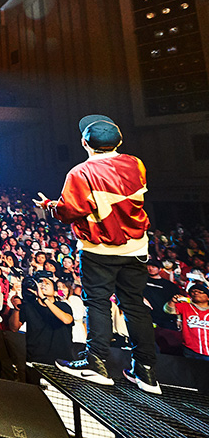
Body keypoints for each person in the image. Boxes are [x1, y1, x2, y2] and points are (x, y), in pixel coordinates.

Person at [35, 114, 160, 394]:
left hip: (99, 248)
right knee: (135, 306)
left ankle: (96, 364)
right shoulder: (135, 164)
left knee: (99, 303)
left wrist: (49, 206)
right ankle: (146, 371)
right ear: (120, 141)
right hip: (136, 247)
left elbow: (69, 211)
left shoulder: (81, 173)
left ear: (84, 143)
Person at [21, 272, 74, 366]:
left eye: (47, 283)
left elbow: (66, 320)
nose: (43, 285)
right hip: (35, 360)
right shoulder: (29, 306)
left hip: (60, 361)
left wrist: (43, 298)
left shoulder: (63, 306)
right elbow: (14, 327)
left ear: (55, 292)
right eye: (40, 282)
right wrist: (17, 307)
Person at [164, 280, 209, 360]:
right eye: (193, 292)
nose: (196, 293)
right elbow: (168, 310)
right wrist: (173, 301)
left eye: (200, 292)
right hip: (190, 350)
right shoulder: (185, 307)